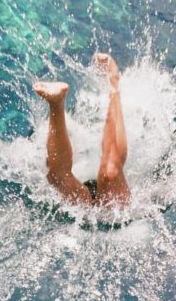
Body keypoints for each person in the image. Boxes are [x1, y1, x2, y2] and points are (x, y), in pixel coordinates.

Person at [33, 53, 130, 207]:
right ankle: (114, 83)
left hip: (89, 212)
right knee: (111, 172)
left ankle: (56, 103)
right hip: (111, 213)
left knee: (58, 178)